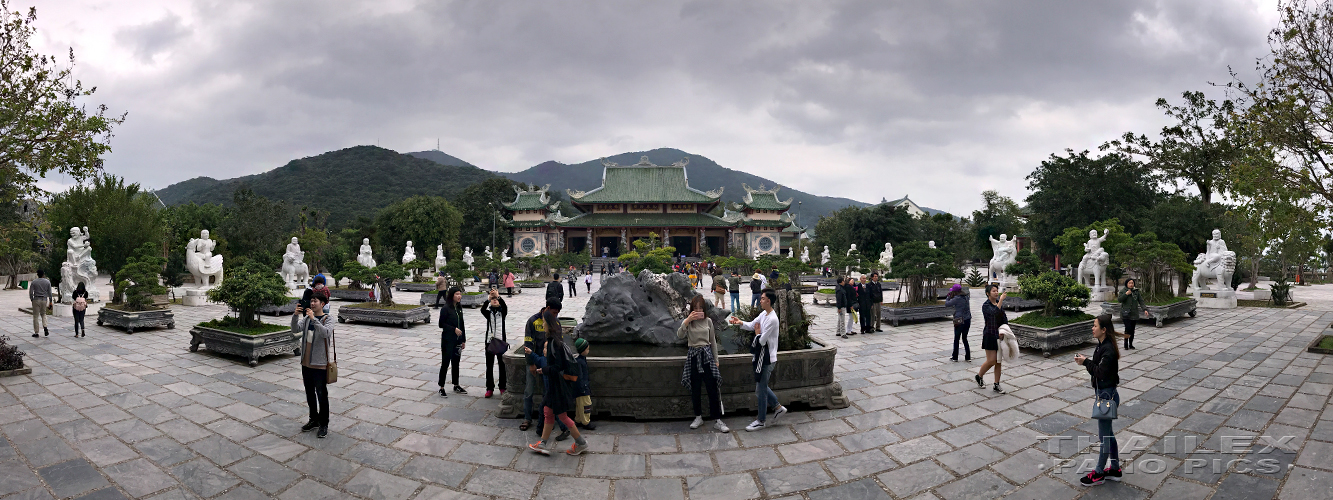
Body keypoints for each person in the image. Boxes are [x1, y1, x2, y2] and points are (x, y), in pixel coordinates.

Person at [526, 309, 589, 456]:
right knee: (548, 412)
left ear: (547, 323)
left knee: (562, 417)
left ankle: (581, 443)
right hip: (555, 386)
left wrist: (546, 369)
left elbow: (557, 367)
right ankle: (542, 443)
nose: (542, 324)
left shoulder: (554, 343)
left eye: (543, 321)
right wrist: (545, 370)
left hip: (558, 387)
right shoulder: (555, 340)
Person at [729, 289, 787, 431]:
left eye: (762, 298)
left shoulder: (772, 319)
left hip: (768, 358)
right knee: (761, 387)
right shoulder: (764, 314)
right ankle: (778, 408)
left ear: (768, 301)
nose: (760, 300)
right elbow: (752, 325)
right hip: (761, 357)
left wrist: (757, 333)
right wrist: (740, 322)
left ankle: (761, 420)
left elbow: (761, 340)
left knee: (760, 390)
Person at [1076, 314, 1123, 485]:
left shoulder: (1108, 350)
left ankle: (1098, 473)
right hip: (1104, 393)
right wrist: (1086, 362)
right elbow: (1097, 369)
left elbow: (1100, 372)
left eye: (1095, 326)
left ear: (1104, 330)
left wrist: (1085, 362)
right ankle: (1115, 469)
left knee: (1104, 437)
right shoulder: (1102, 346)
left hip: (1106, 396)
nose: (1092, 328)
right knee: (1108, 435)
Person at [678, 295, 729, 433]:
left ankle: (717, 419)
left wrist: (716, 360)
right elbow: (679, 335)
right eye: (696, 308)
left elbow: (712, 341)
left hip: (707, 356)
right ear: (692, 309)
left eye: (700, 308)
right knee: (695, 388)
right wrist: (687, 320)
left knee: (712, 388)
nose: (698, 310)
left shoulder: (708, 321)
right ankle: (698, 417)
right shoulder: (689, 322)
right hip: (693, 356)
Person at [522, 300, 569, 439]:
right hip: (535, 360)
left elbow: (560, 342)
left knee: (548, 393)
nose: (556, 315)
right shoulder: (532, 321)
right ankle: (527, 418)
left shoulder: (556, 322)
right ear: (547, 308)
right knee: (529, 390)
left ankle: (546, 423)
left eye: (557, 313)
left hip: (549, 365)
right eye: (554, 312)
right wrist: (531, 363)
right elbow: (528, 342)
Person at [293, 290, 334, 438]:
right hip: (306, 363)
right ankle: (313, 419)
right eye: (311, 301)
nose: (312, 303)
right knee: (309, 393)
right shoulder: (306, 319)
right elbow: (294, 329)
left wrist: (314, 319)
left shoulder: (327, 319)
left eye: (315, 301)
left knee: (321, 394)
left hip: (319, 364)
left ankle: (324, 424)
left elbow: (326, 333)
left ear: (322, 304)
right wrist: (295, 315)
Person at [976, 284, 1007, 393]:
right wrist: (1001, 301)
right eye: (993, 291)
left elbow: (1004, 318)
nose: (996, 292)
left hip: (999, 335)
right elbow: (994, 313)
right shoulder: (986, 305)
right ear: (988, 294)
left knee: (998, 361)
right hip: (989, 335)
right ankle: (979, 376)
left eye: (997, 290)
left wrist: (1003, 331)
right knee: (991, 360)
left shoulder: (999, 304)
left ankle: (996, 384)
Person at [438, 287, 467, 397]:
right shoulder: (445, 308)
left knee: (456, 363)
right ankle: (441, 387)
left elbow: (462, 324)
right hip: (447, 340)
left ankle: (456, 384)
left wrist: (463, 339)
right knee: (445, 363)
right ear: (451, 296)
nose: (459, 296)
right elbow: (441, 324)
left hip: (457, 340)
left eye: (460, 294)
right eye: (457, 294)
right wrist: (453, 329)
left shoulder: (459, 307)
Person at [480, 290, 507, 398]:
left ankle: (502, 387)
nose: (495, 301)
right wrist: (488, 299)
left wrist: (498, 296)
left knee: (502, 365)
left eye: (496, 300)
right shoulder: (488, 313)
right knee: (489, 366)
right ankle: (489, 388)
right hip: (490, 342)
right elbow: (482, 309)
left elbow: (504, 305)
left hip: (500, 341)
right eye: (493, 300)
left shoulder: (502, 313)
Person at [572, 338, 596, 431]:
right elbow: (580, 377)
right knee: (586, 404)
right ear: (583, 350)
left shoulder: (578, 359)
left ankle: (578, 419)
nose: (588, 351)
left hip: (578, 388)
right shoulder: (580, 361)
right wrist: (584, 387)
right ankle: (586, 422)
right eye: (587, 349)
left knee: (579, 405)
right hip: (582, 388)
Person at [1117, 279, 1147, 350]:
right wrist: (1126, 294)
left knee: (1132, 330)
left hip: (1134, 313)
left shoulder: (1136, 291)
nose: (1131, 284)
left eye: (1132, 283)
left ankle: (1131, 344)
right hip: (1125, 314)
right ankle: (1125, 344)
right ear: (1126, 284)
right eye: (1129, 283)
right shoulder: (1123, 291)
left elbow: (1141, 301)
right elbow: (1119, 300)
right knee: (1128, 328)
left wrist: (1145, 309)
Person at [945, 284, 971, 361]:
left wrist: (948, 297)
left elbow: (947, 304)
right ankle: (968, 357)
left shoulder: (956, 298)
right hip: (968, 319)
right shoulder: (966, 297)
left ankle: (955, 357)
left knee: (956, 339)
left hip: (959, 320)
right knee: (965, 338)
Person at [29, 269, 51, 338]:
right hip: (44, 299)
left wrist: (32, 299)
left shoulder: (34, 282)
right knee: (43, 314)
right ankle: (45, 326)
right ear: (43, 274)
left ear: (37, 274)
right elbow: (49, 292)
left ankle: (36, 332)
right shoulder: (47, 282)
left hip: (36, 299)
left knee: (35, 316)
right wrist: (50, 301)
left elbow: (31, 292)